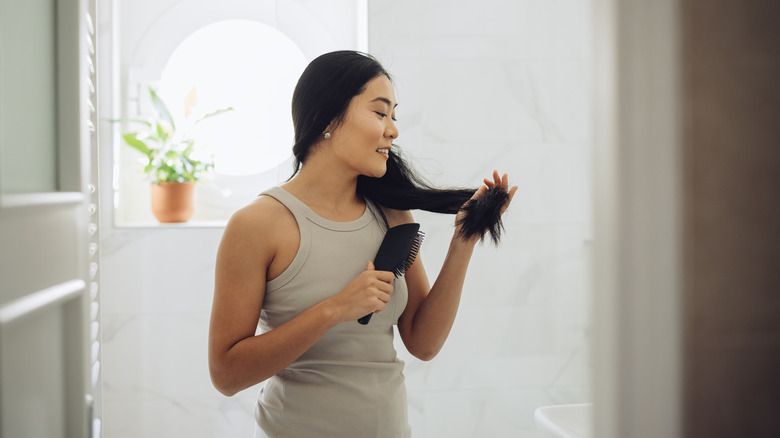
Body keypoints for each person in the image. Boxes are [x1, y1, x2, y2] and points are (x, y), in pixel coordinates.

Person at [208, 50, 517, 438]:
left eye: (394, 115)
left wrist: (464, 240)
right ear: (326, 118)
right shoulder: (257, 225)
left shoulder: (391, 215)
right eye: (379, 112)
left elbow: (423, 343)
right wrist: (336, 308)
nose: (393, 130)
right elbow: (226, 374)